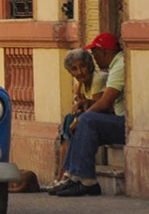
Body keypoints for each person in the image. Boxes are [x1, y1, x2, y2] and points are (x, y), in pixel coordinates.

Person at [52, 32, 127, 197]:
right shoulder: (115, 65)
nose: (94, 57)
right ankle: (73, 177)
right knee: (82, 122)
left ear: (104, 52)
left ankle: (87, 181)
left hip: (126, 124)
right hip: (119, 120)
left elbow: (105, 102)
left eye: (95, 53)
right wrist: (87, 105)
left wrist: (80, 119)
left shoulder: (119, 65)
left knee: (86, 120)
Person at [49, 48, 109, 187]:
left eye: (82, 66)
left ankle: (64, 176)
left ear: (89, 66)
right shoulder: (81, 84)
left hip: (103, 119)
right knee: (68, 122)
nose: (79, 72)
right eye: (74, 69)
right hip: (91, 119)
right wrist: (78, 96)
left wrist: (79, 107)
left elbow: (98, 107)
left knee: (72, 123)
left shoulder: (98, 79)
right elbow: (79, 107)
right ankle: (61, 177)